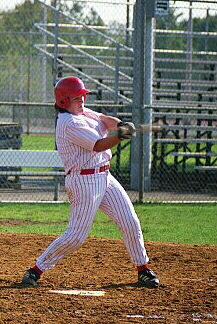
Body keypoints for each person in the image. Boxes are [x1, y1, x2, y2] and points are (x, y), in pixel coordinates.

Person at [21, 76, 160, 288]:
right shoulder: (68, 122)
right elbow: (98, 145)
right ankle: (36, 270)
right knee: (76, 236)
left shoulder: (82, 112)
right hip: (84, 181)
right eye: (77, 98)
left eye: (83, 96)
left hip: (105, 176)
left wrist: (121, 125)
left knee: (130, 221)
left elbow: (104, 119)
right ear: (63, 102)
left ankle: (143, 269)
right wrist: (122, 136)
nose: (82, 101)